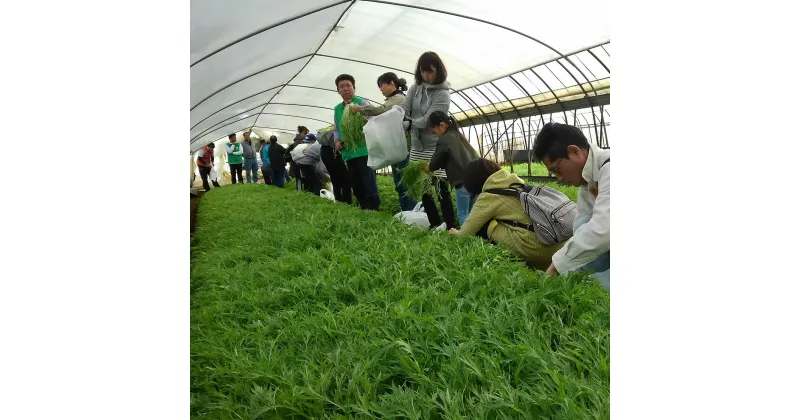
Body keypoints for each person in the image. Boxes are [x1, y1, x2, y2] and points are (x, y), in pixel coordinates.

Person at [449, 158, 565, 270]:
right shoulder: (516, 183)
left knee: (484, 225)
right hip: (559, 245)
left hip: (535, 248)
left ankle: (499, 263)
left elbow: (466, 233)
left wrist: (455, 232)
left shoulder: (489, 196)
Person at [532, 122, 610, 289]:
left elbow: (604, 228)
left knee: (594, 289)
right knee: (582, 225)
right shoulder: (586, 181)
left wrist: (557, 265)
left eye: (556, 170)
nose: (558, 178)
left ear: (574, 151)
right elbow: (582, 226)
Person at [398, 52, 454, 229]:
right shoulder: (415, 88)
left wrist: (409, 124)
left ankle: (450, 225)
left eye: (430, 72)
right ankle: (434, 223)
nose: (427, 76)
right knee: (423, 187)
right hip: (417, 146)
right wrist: (396, 115)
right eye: (423, 72)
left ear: (438, 71)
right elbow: (405, 107)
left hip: (435, 146)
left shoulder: (443, 94)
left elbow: (431, 120)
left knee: (440, 186)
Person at [350, 72, 417, 211]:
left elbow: (382, 110)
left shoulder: (398, 98)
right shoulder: (393, 99)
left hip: (403, 148)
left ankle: (411, 212)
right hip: (397, 147)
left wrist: (360, 109)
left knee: (404, 184)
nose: (380, 89)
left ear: (392, 83)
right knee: (400, 183)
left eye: (382, 85)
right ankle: (407, 213)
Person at [333, 74, 381, 211]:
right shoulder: (337, 109)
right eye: (341, 86)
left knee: (369, 182)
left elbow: (374, 120)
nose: (345, 89)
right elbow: (336, 129)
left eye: (348, 85)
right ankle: (363, 208)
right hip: (348, 152)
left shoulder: (362, 103)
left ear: (354, 87)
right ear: (338, 90)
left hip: (364, 150)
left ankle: (374, 210)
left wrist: (360, 116)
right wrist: (337, 141)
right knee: (356, 184)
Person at [426, 111, 479, 226]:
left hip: (463, 182)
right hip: (475, 180)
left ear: (442, 125)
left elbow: (436, 160)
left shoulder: (444, 139)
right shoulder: (459, 136)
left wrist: (428, 168)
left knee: (463, 213)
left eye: (434, 132)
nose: (436, 135)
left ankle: (465, 238)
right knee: (471, 213)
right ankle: (475, 237)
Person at [318, 128, 352, 204]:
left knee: (335, 179)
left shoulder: (327, 132)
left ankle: (338, 200)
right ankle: (347, 202)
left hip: (325, 153)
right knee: (346, 180)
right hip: (333, 153)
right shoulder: (336, 129)